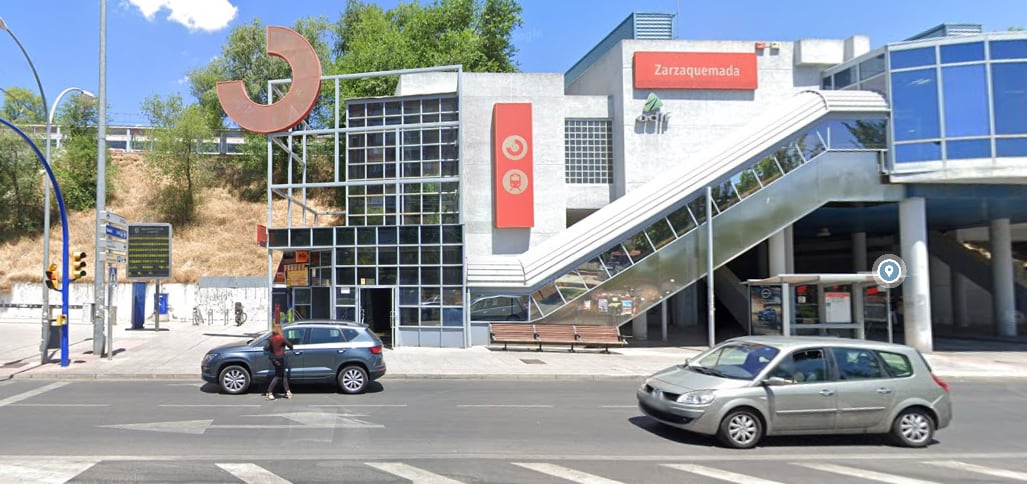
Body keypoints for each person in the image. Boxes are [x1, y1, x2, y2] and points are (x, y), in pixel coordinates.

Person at [264, 322, 294, 400]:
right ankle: (269, 392)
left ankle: (288, 391)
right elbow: (290, 345)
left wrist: (272, 348)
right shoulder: (282, 338)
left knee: (283, 375)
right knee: (278, 376)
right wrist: (288, 348)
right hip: (280, 359)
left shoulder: (271, 338)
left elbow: (266, 348)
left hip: (273, 359)